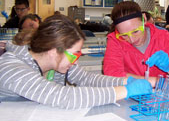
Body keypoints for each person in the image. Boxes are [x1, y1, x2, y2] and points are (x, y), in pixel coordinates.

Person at [0, 14, 152, 109]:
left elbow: (86, 79)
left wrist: (125, 82)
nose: (75, 61)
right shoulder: (13, 69)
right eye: (74, 55)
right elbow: (64, 96)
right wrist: (126, 91)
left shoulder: (58, 61)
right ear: (53, 50)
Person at [103, 1, 169, 78]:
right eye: (124, 35)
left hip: (162, 97)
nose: (132, 39)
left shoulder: (163, 37)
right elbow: (112, 75)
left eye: (135, 31)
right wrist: (154, 82)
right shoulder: (115, 40)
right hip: (130, 97)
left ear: (144, 19)